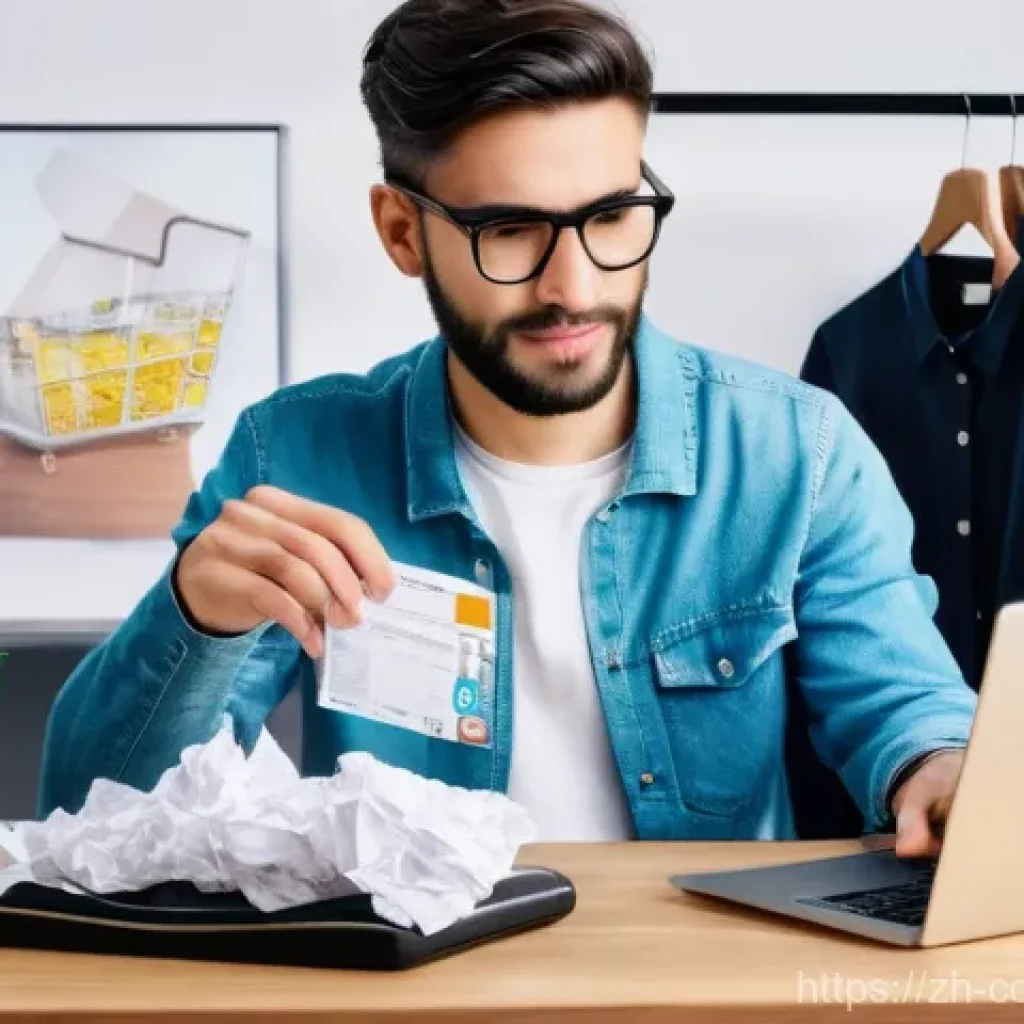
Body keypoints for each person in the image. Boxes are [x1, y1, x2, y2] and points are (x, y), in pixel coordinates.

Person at [38, 0, 975, 857]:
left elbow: (905, 709)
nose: (573, 285)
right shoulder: (293, 455)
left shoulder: (797, 455)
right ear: (403, 232)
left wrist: (940, 772)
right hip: (413, 980)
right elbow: (89, 814)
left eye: (611, 215)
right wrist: (193, 619)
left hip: (695, 978)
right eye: (512, 231)